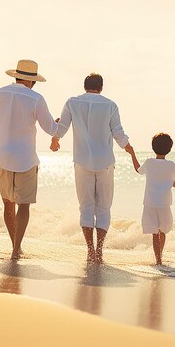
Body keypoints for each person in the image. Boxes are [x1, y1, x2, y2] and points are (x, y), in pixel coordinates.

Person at [50, 73, 132, 264]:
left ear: (84, 86)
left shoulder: (72, 102)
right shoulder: (110, 105)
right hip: (105, 162)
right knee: (104, 207)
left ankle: (89, 251)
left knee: (86, 207)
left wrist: (54, 140)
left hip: (82, 162)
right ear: (101, 87)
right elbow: (118, 133)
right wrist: (130, 149)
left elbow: (61, 129)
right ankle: (100, 251)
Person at [0, 59, 64, 260]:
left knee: (7, 204)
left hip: (1, 156)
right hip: (25, 158)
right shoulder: (36, 99)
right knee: (23, 205)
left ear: (16, 76)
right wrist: (58, 125)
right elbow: (51, 129)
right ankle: (16, 249)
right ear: (33, 81)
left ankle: (14, 245)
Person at [126, 133, 175, 265]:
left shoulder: (149, 162)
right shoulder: (171, 165)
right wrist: (173, 183)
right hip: (164, 203)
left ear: (153, 147)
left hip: (150, 202)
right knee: (163, 231)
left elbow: (138, 170)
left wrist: (132, 153)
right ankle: (161, 257)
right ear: (169, 149)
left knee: (154, 233)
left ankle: (158, 260)